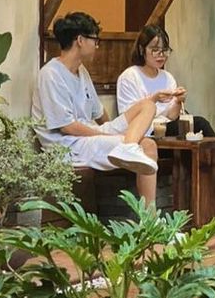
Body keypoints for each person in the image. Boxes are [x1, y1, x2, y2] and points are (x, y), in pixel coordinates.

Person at [32, 12, 168, 205]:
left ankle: (128, 147)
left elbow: (99, 113)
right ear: (80, 40)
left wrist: (115, 129)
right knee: (147, 146)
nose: (97, 45)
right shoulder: (50, 75)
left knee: (148, 106)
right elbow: (67, 127)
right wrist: (107, 136)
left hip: (93, 134)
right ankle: (150, 218)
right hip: (70, 145)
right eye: (95, 40)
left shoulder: (82, 71)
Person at [116, 24, 215, 199]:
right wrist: (154, 99)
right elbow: (129, 118)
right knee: (199, 124)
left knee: (198, 132)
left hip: (168, 134)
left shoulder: (166, 77)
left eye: (164, 50)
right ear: (142, 49)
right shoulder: (129, 77)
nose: (160, 55)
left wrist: (178, 101)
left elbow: (171, 116)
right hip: (145, 136)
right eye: (155, 50)